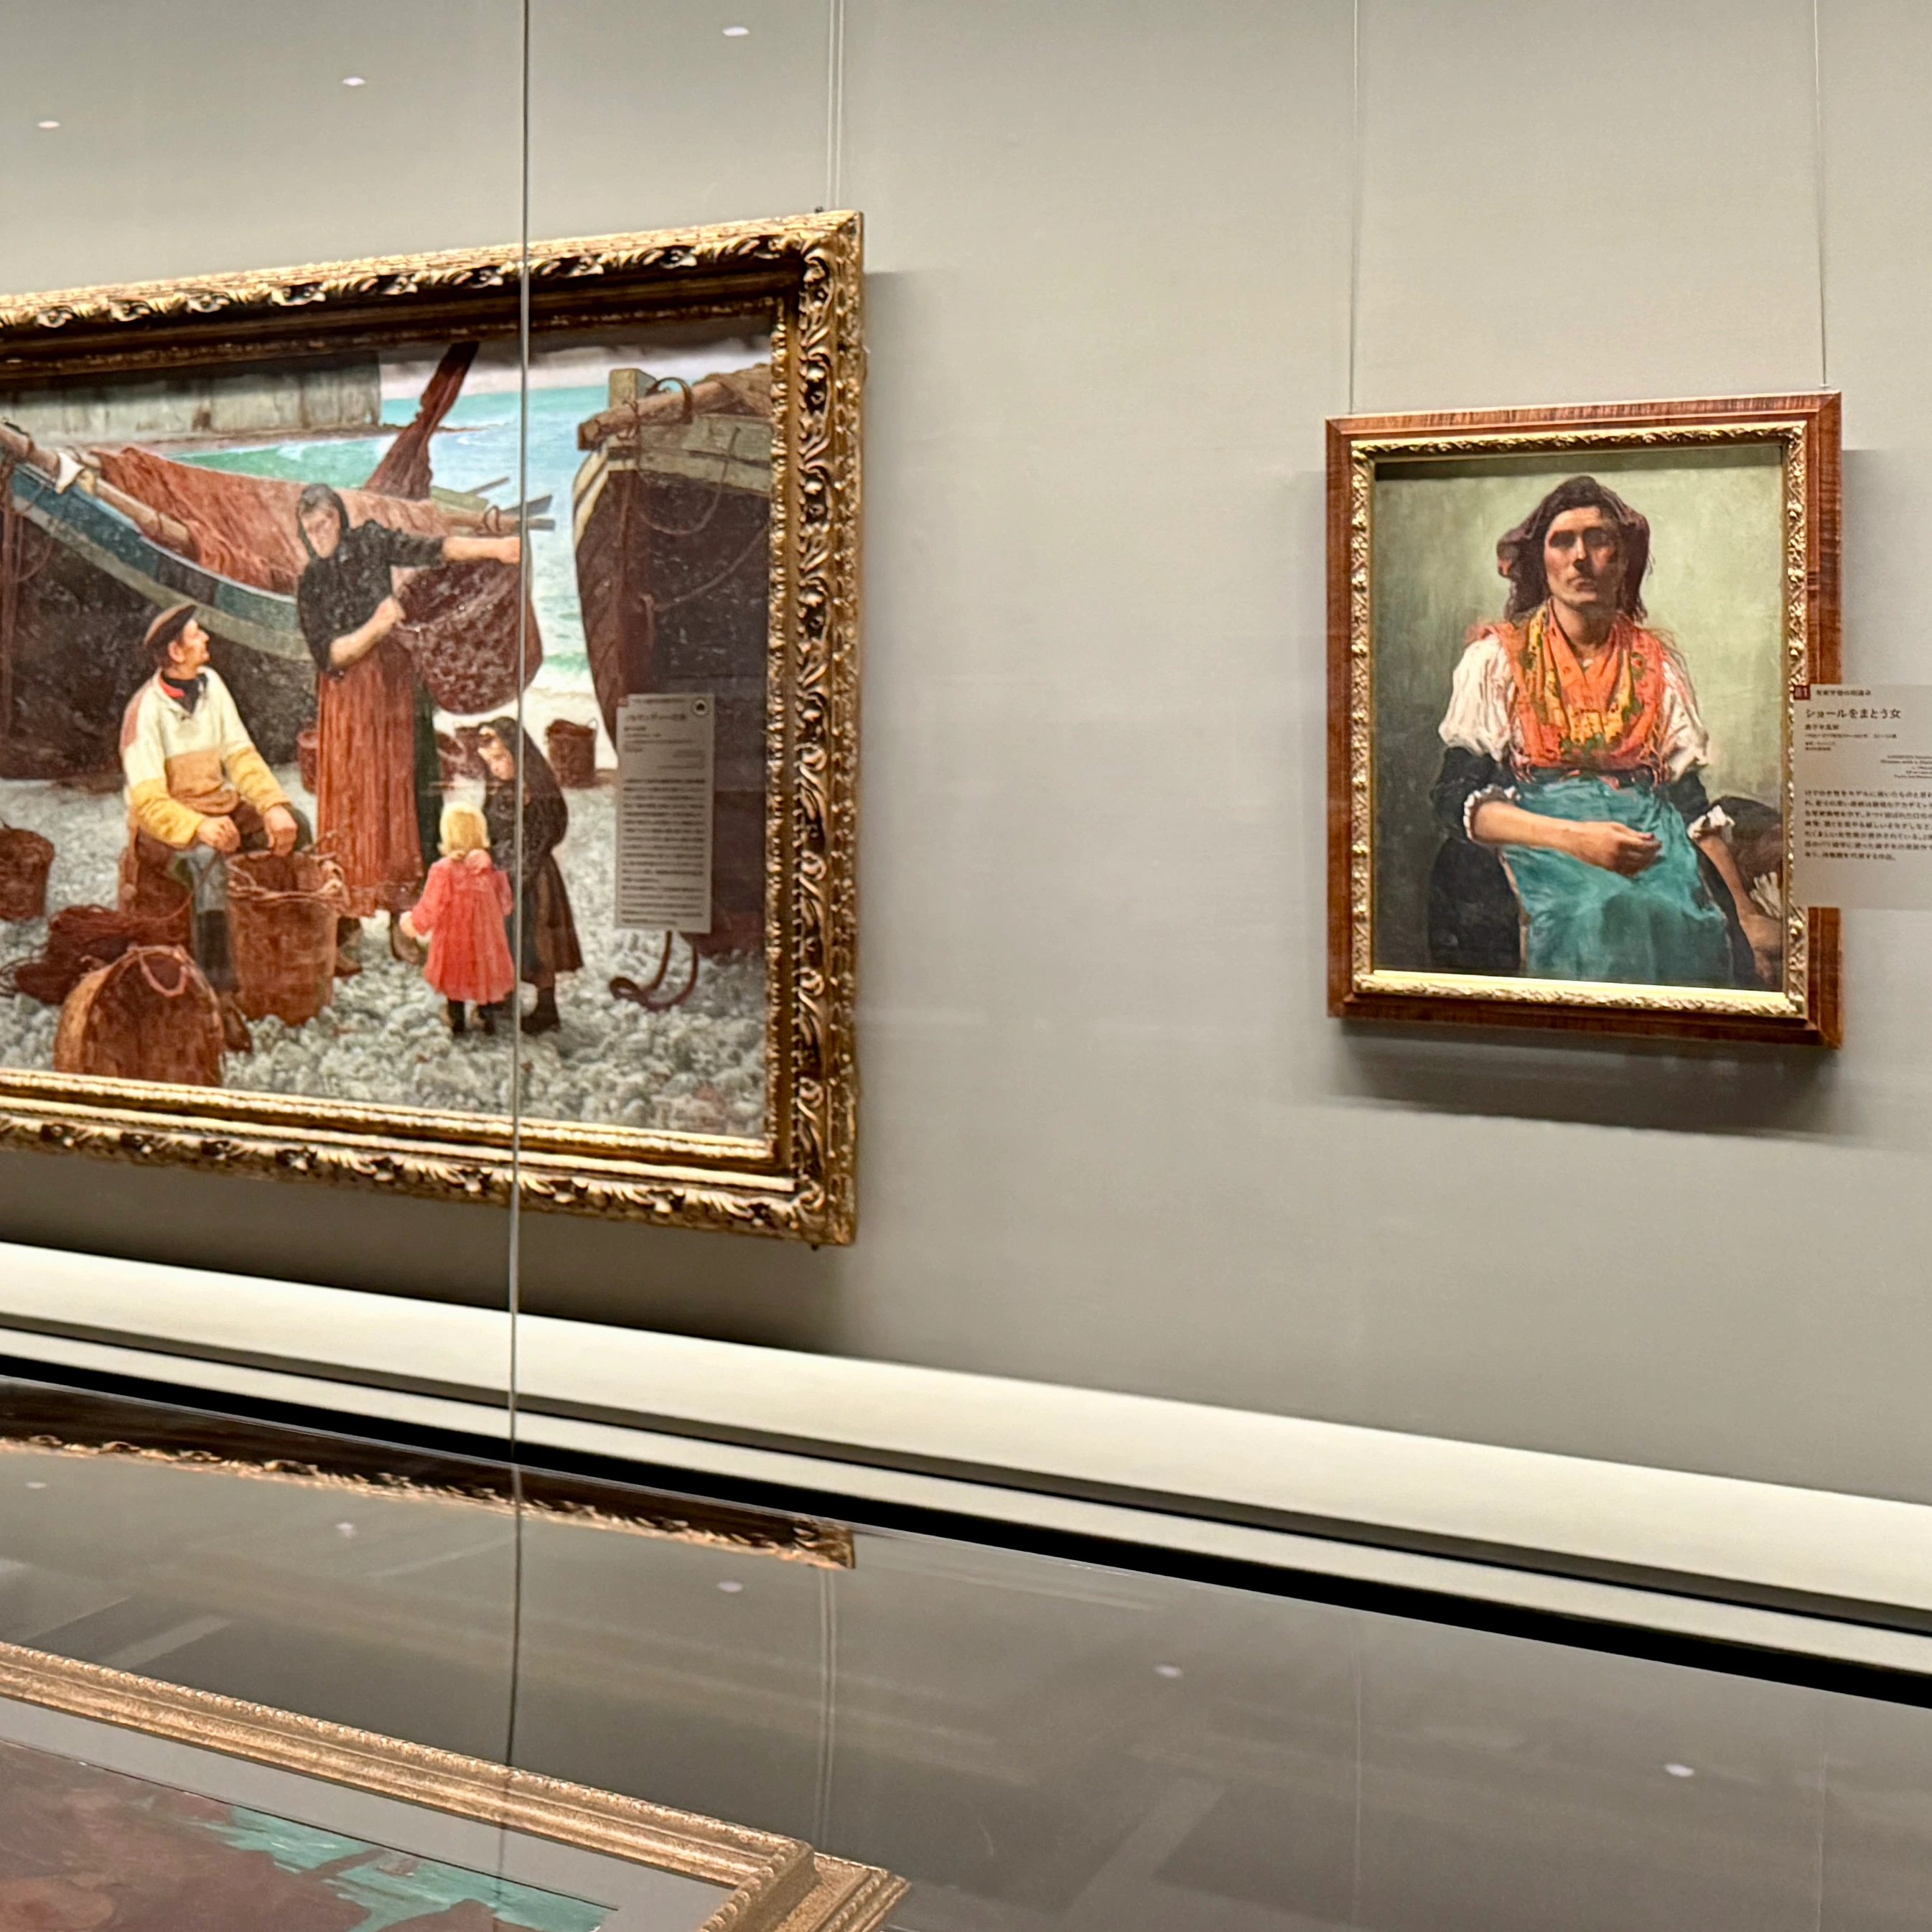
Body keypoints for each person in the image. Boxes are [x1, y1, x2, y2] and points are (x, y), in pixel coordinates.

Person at [1429, 476, 1781, 988]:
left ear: (1622, 561)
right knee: (1600, 910)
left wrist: (1743, 913)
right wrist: (1579, 840)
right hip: (1543, 839)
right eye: (1562, 541)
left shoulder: (1656, 665)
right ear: (1540, 561)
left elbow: (1689, 804)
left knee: (1683, 918)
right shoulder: (1497, 660)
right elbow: (1454, 798)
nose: (1580, 558)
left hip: (1651, 838)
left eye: (1598, 540)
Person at [293, 483, 520, 952]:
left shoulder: (370, 541)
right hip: (348, 699)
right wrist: (377, 626)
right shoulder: (311, 581)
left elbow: (433, 549)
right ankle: (346, 916)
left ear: (340, 518)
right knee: (351, 798)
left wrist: (497, 548)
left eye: (326, 522)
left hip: (394, 688)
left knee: (399, 799)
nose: (320, 534)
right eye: (310, 528)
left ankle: (402, 919)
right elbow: (330, 654)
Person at [118, 602, 304, 1050]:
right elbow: (149, 802)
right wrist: (200, 826)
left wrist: (272, 804)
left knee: (296, 824)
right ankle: (221, 996)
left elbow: (240, 755)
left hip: (217, 807)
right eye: (197, 634)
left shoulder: (213, 684)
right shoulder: (144, 712)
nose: (206, 639)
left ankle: (306, 946)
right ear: (175, 651)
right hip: (166, 827)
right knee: (209, 869)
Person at [476, 718, 582, 1035]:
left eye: (501, 758)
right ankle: (503, 994)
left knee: (538, 942)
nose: (495, 767)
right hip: (504, 876)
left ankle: (547, 1007)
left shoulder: (533, 791)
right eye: (490, 762)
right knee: (504, 939)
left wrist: (518, 873)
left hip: (533, 879)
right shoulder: (501, 789)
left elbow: (546, 831)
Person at [400, 802, 515, 1037]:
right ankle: (486, 1015)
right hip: (486, 938)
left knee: (455, 974)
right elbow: (506, 904)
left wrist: (414, 923)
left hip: (455, 937)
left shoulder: (443, 870)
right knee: (484, 973)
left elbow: (431, 906)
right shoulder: (493, 869)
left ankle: (456, 1018)